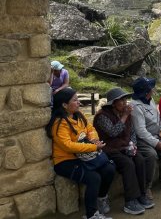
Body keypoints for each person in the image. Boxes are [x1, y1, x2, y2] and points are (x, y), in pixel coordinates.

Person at [45, 88, 115, 219]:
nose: (78, 102)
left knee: (109, 168)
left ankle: (101, 198)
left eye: (77, 99)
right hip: (66, 161)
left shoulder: (79, 115)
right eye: (75, 100)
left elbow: (90, 128)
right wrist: (93, 147)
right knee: (94, 178)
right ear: (64, 105)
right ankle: (91, 215)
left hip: (83, 156)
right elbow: (68, 146)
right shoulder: (59, 124)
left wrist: (93, 138)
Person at [93, 88, 155, 215]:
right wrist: (125, 116)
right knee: (127, 164)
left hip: (124, 147)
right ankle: (130, 201)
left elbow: (131, 133)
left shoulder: (126, 114)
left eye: (125, 99)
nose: (125, 103)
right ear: (113, 103)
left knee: (139, 159)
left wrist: (133, 145)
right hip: (109, 148)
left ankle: (141, 195)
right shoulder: (102, 116)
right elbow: (112, 132)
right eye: (121, 100)